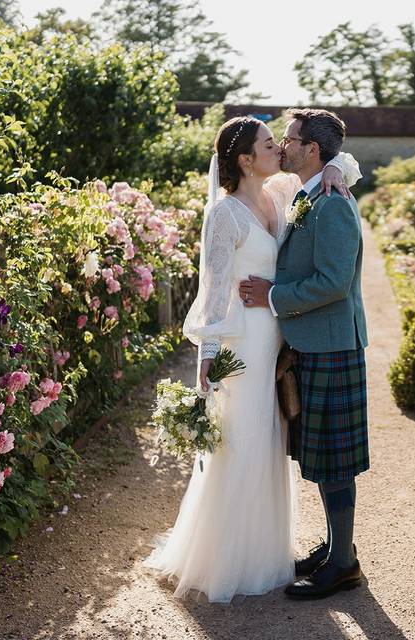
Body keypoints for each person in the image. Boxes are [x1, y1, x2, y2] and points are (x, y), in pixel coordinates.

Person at [143, 114, 361, 602]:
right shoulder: (225, 214)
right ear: (245, 159)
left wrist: (334, 171)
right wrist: (210, 352)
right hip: (243, 343)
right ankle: (228, 558)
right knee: (238, 440)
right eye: (269, 142)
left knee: (268, 439)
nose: (280, 148)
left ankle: (267, 550)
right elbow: (215, 288)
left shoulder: (278, 193)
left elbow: (336, 159)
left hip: (278, 342)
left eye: (284, 141)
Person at [238, 108, 369, 599]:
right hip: (317, 343)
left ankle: (344, 563)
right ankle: (338, 548)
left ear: (312, 150)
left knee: (335, 458)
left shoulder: (331, 203)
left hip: (332, 343)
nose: (283, 147)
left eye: (289, 139)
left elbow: (335, 284)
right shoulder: (310, 191)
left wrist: (272, 296)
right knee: (323, 454)